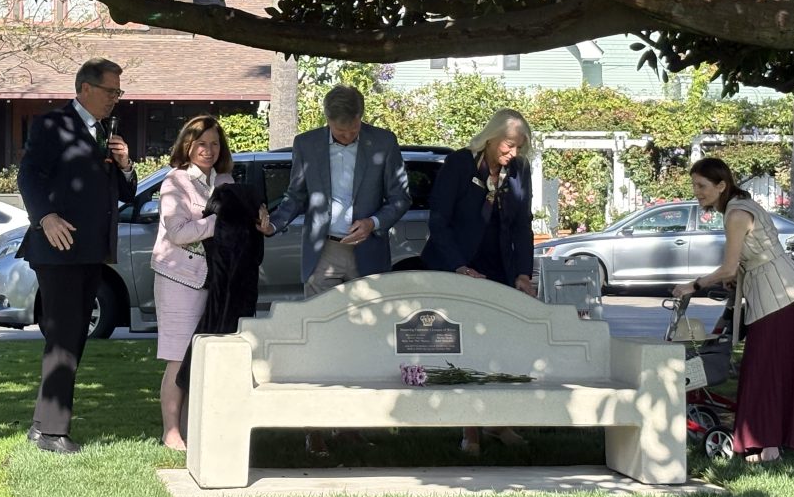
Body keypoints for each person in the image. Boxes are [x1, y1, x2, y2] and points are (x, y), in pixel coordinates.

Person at [259, 84, 411, 454]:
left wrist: (374, 222)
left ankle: (352, 425)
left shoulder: (384, 142)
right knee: (318, 338)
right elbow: (295, 196)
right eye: (339, 131)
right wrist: (274, 224)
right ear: (327, 120)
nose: (346, 136)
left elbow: (401, 197)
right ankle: (314, 427)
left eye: (352, 130)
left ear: (362, 118)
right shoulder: (307, 144)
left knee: (365, 340)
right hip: (322, 252)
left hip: (367, 253)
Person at [17, 58, 137, 454]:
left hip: (90, 251)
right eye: (110, 91)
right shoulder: (53, 124)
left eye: (119, 92)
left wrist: (126, 165)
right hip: (59, 248)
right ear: (85, 88)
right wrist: (45, 217)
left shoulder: (105, 132)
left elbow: (125, 193)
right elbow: (28, 174)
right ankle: (53, 433)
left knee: (71, 336)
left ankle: (43, 426)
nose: (115, 98)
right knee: (65, 336)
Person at [672, 157, 794, 464]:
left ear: (721, 185)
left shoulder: (736, 214)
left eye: (702, 186)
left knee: (766, 369)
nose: (697, 192)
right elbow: (745, 261)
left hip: (777, 298)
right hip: (780, 293)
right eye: (694, 185)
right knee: (771, 368)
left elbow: (728, 267)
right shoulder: (739, 206)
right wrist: (734, 278)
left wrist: (693, 286)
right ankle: (771, 441)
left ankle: (768, 445)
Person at [421, 108, 537, 456]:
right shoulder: (459, 163)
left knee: (500, 346)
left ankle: (498, 422)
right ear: (490, 137)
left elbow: (522, 224)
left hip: (498, 266)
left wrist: (523, 273)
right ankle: (469, 428)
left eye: (518, 147)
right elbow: (438, 221)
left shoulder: (519, 170)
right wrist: (458, 266)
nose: (512, 153)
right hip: (457, 265)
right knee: (465, 347)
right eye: (508, 145)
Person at [150, 115, 234, 451]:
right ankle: (171, 432)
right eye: (201, 144)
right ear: (187, 145)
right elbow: (178, 232)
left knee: (203, 356)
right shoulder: (175, 181)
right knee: (178, 356)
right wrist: (219, 221)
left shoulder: (223, 181)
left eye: (214, 144)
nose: (208, 150)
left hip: (214, 280)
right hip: (178, 278)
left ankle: (193, 429)